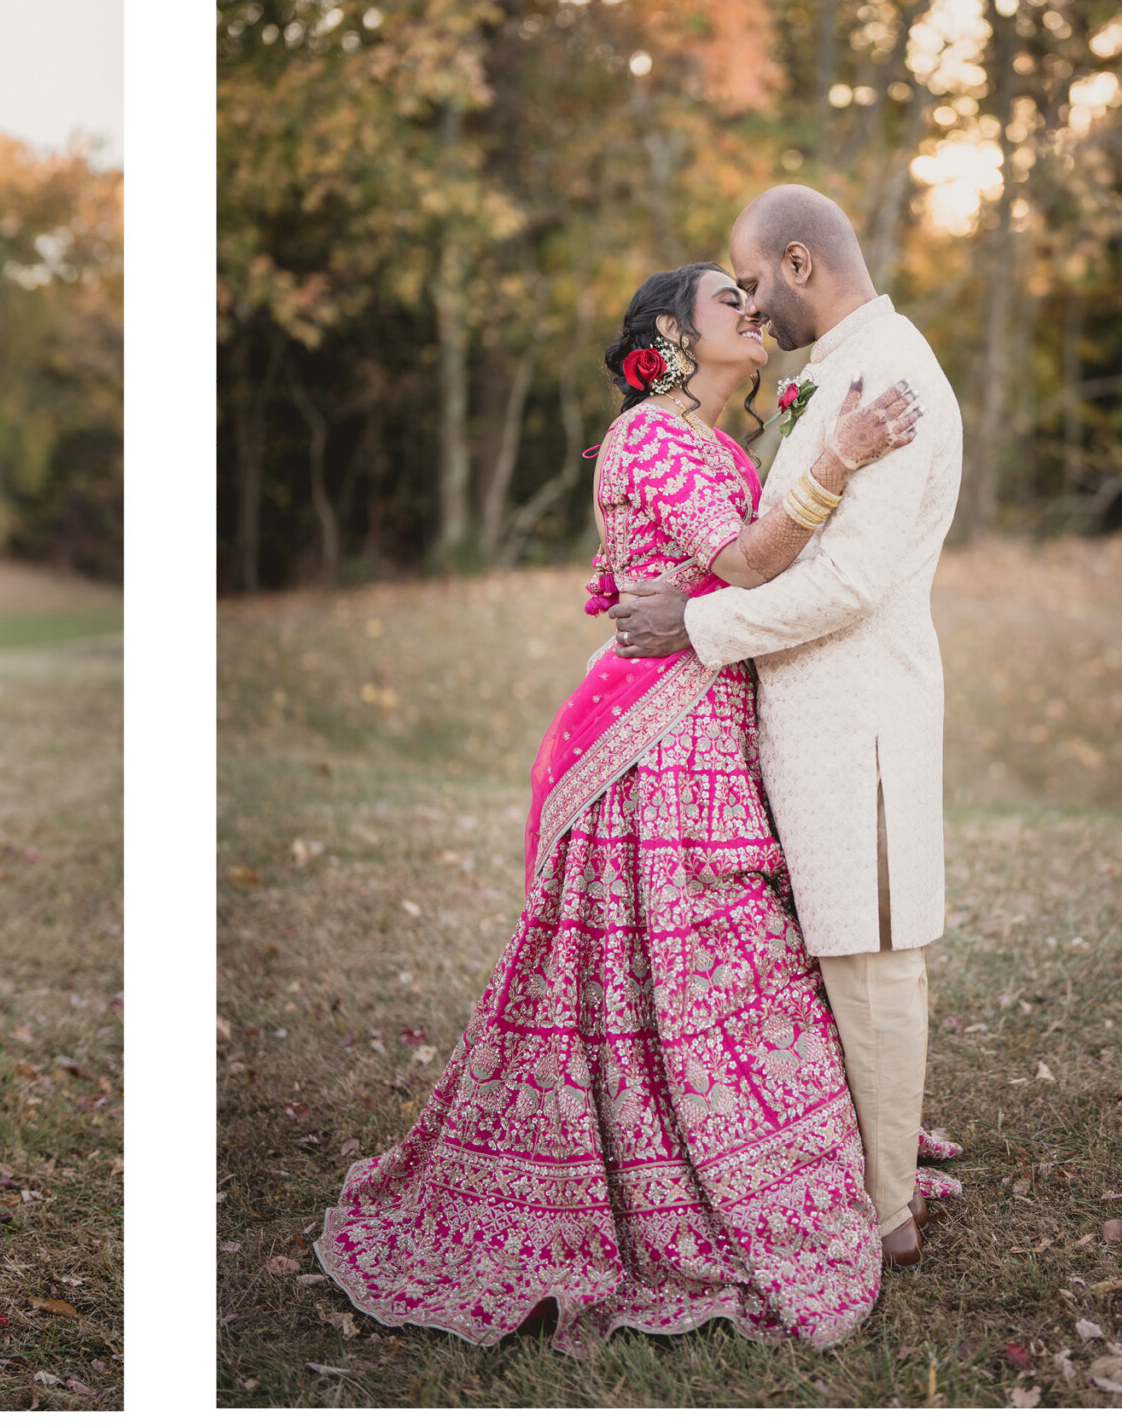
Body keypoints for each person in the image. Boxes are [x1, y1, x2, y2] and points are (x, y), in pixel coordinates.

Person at [316, 257, 924, 1354]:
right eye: (724, 300)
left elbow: (749, 576)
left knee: (739, 960)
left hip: (714, 724)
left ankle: (781, 1156)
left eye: (751, 296)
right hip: (646, 740)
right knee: (674, 961)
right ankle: (673, 1173)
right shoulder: (647, 433)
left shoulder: (727, 446)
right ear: (670, 337)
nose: (749, 309)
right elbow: (741, 559)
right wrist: (839, 454)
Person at [608, 184, 968, 1269]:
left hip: (854, 710)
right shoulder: (841, 374)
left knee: (871, 954)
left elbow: (850, 582)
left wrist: (695, 620)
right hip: (807, 713)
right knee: (838, 955)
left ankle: (886, 1209)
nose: (756, 307)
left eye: (756, 280)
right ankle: (842, 1172)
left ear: (799, 264)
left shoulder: (887, 372)